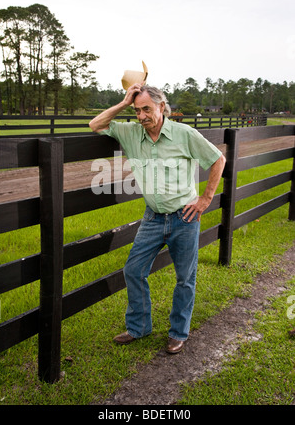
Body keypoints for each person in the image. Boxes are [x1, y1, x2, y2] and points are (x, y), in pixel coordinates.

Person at [89, 83, 226, 354]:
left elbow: (217, 159)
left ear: (162, 107)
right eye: (137, 110)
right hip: (152, 218)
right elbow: (95, 124)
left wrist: (205, 199)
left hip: (184, 217)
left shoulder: (183, 133)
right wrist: (124, 102)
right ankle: (139, 327)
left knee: (185, 278)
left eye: (146, 109)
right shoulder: (130, 132)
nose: (141, 116)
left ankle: (178, 333)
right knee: (133, 270)